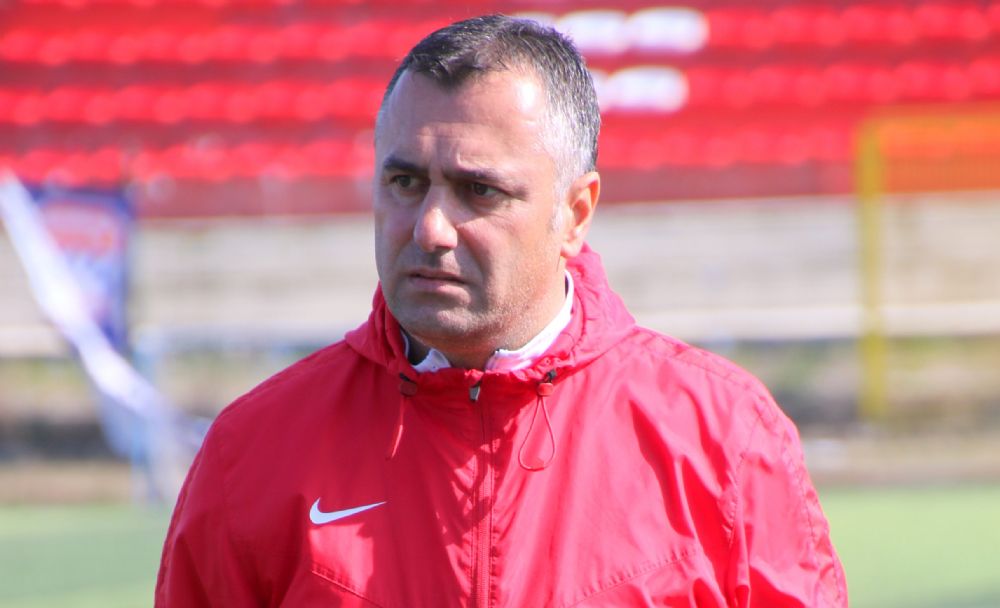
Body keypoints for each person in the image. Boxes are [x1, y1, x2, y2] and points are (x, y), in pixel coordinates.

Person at [156, 14, 847, 607]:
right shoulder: (253, 452)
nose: (431, 227)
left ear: (575, 213)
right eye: (405, 182)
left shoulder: (724, 439)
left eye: (479, 191)